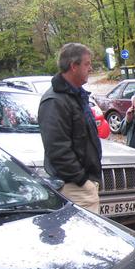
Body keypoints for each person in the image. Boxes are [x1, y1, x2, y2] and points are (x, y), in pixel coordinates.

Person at [38, 43, 102, 213]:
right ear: (74, 66)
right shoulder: (55, 101)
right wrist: (82, 180)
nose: (91, 68)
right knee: (86, 238)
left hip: (83, 184)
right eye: (87, 64)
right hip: (74, 187)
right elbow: (57, 149)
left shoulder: (76, 95)